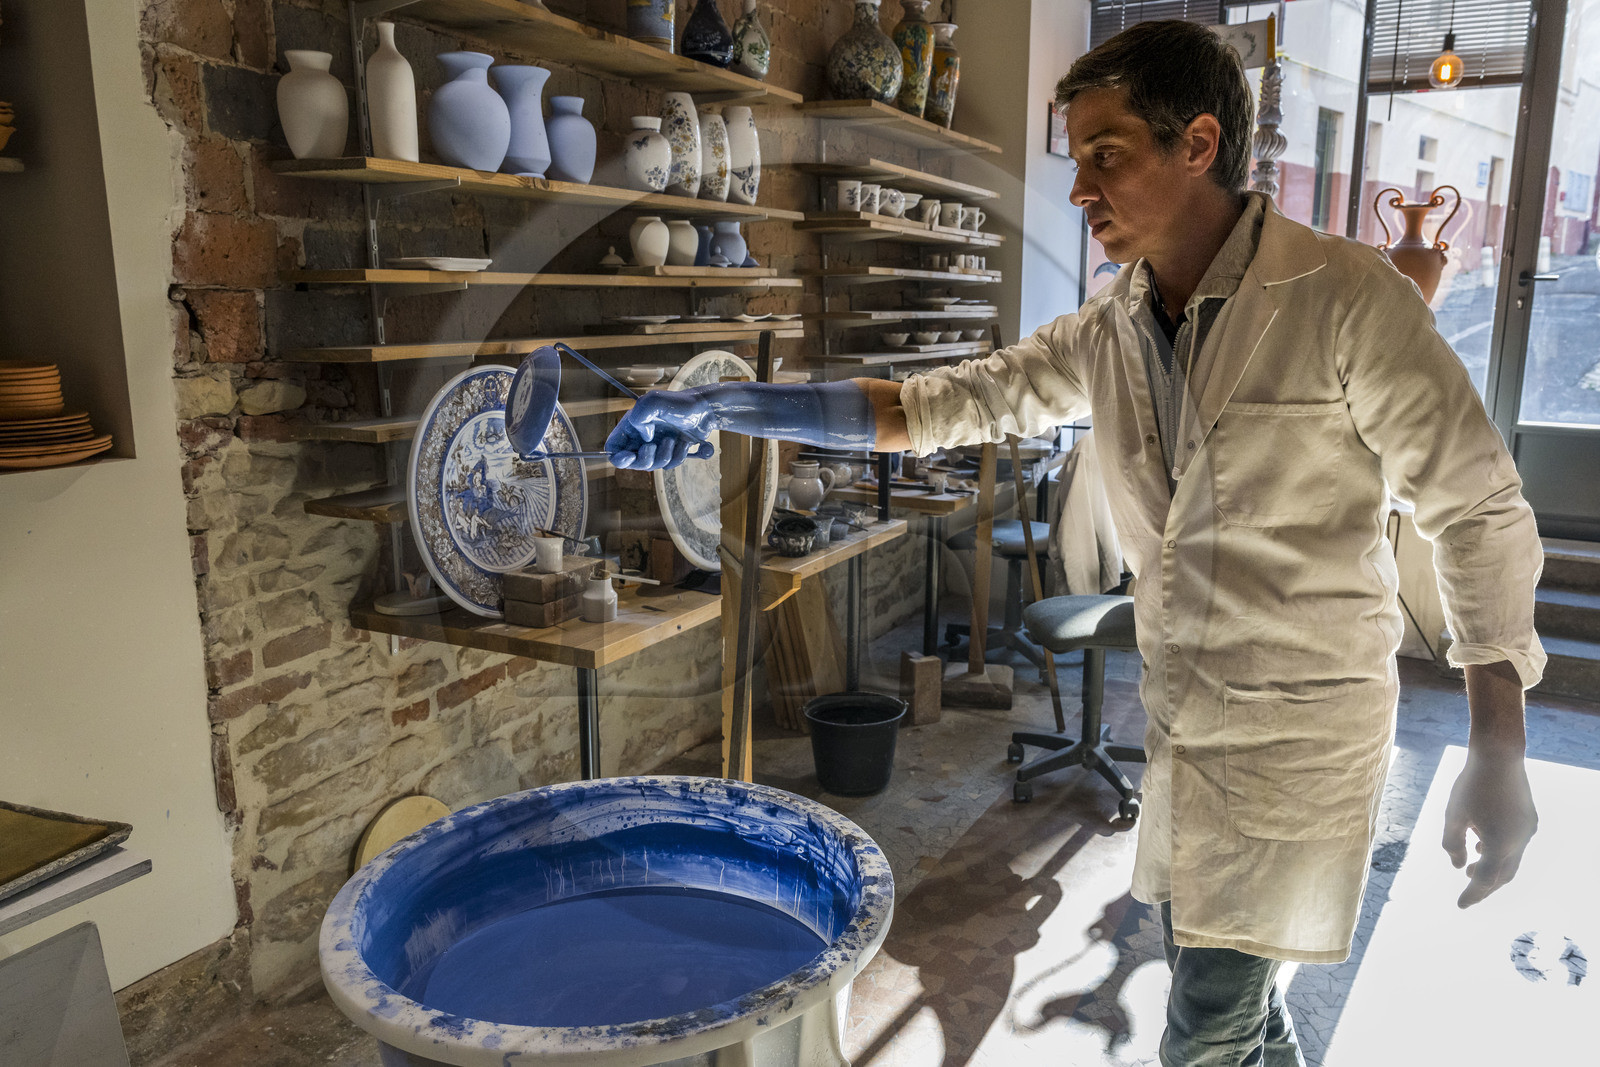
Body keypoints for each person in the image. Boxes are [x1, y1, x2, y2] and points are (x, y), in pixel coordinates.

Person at [606, 19, 1544, 1066]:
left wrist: (1496, 746)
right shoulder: (1108, 326)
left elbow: (1478, 507)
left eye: (1107, 154)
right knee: (1237, 998)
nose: (1079, 188)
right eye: (1079, 158)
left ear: (1197, 144)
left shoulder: (1345, 297)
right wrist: (732, 403)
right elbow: (929, 406)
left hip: (1302, 740)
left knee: (1205, 1033)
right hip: (1185, 722)